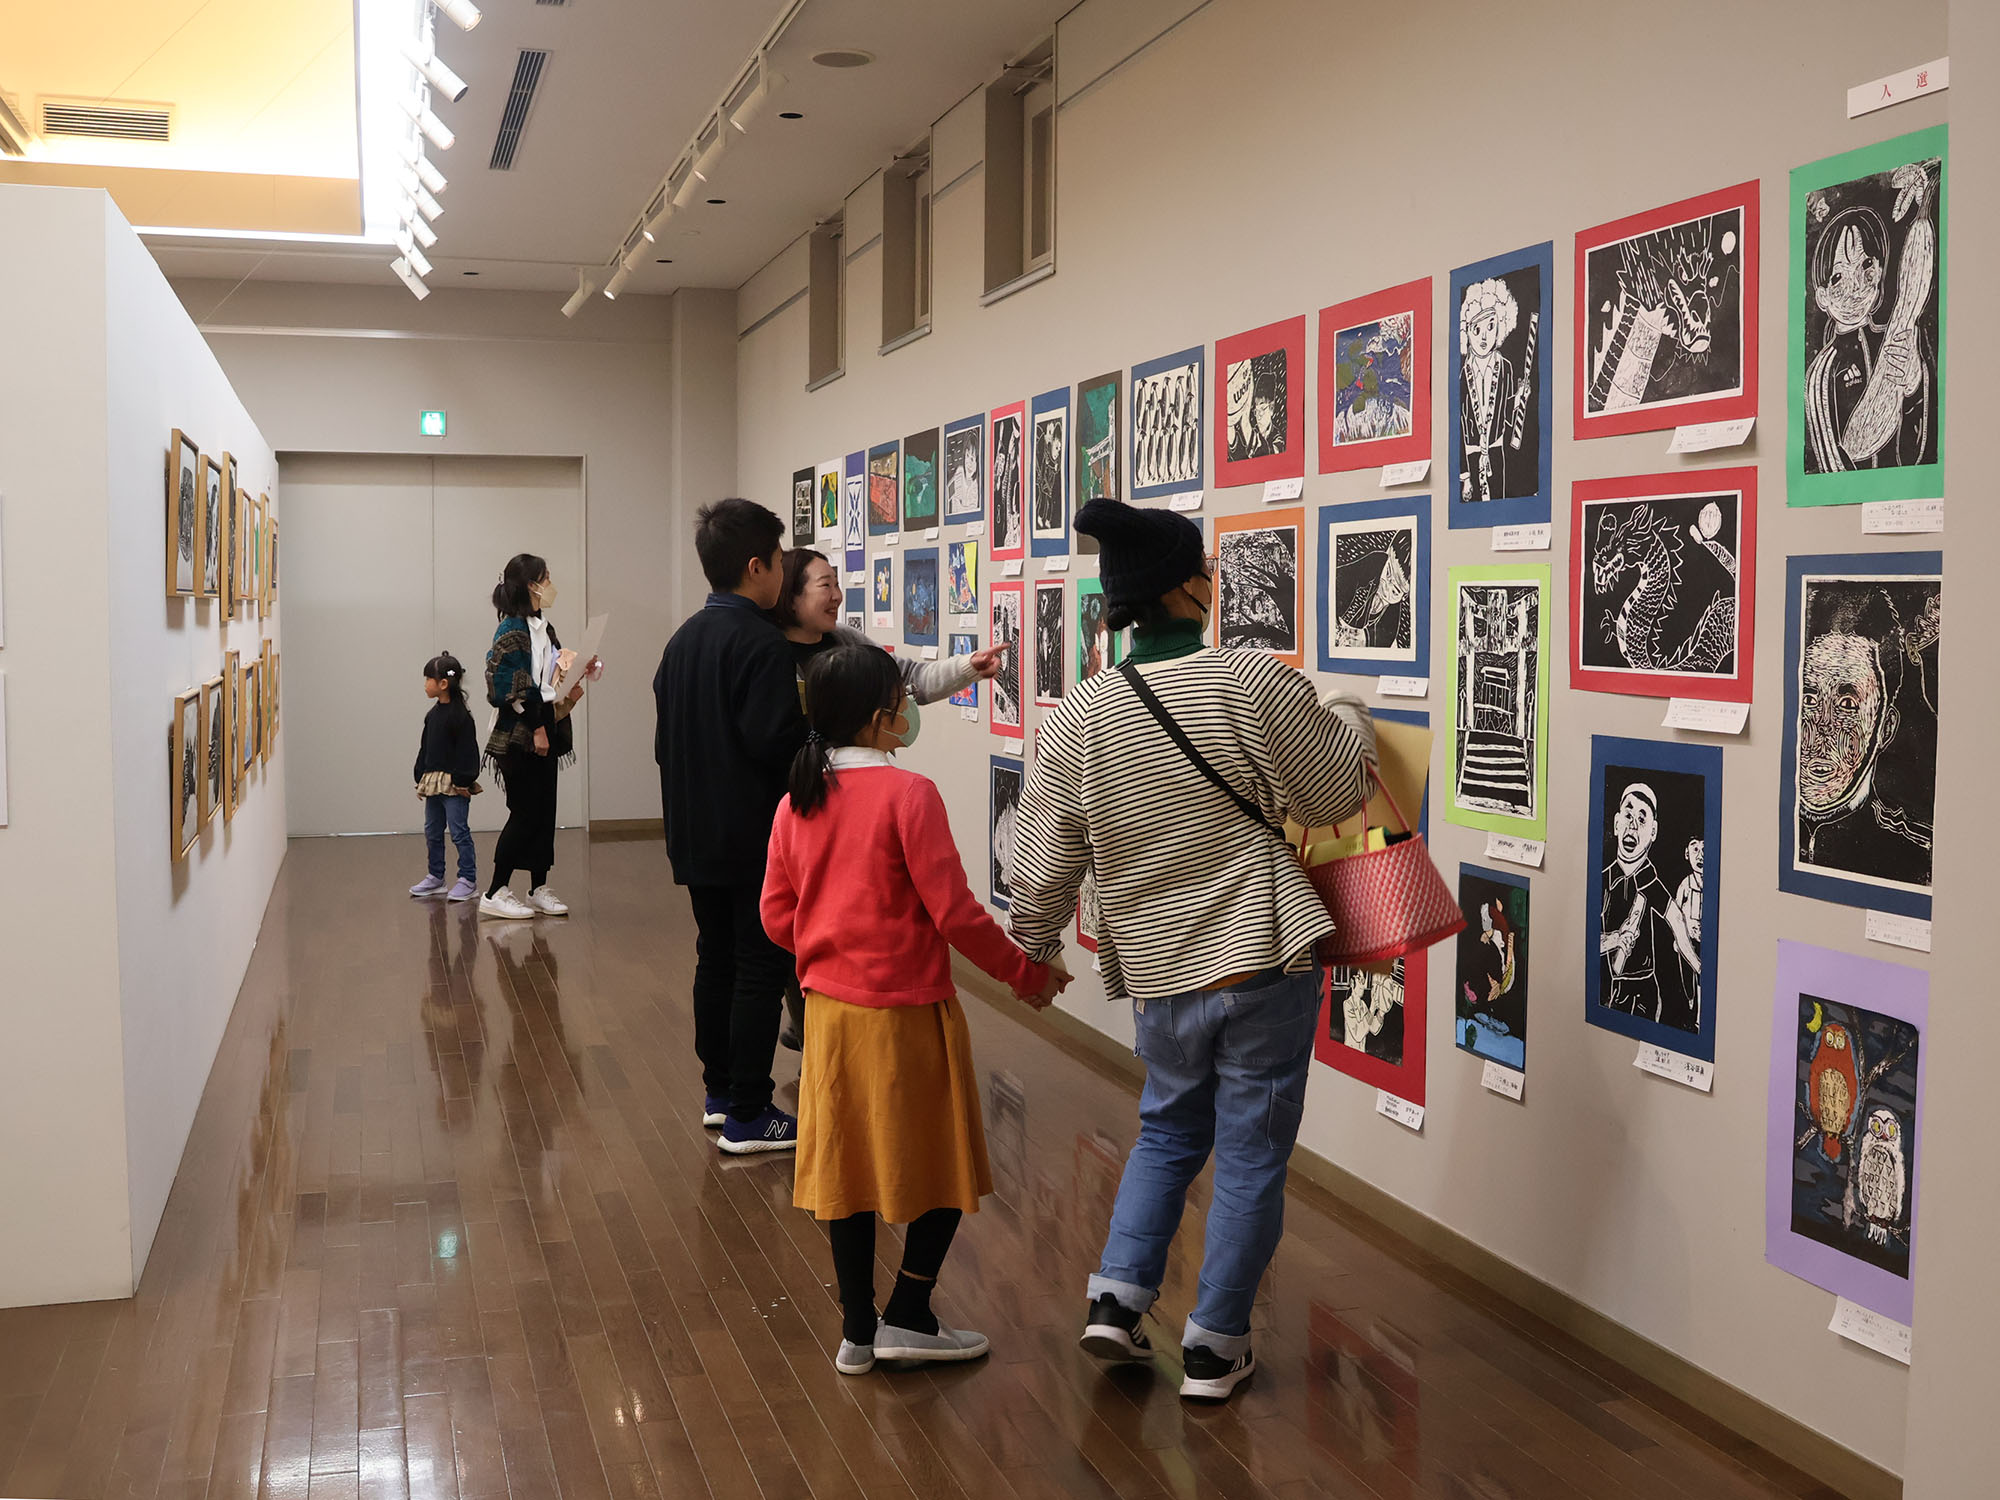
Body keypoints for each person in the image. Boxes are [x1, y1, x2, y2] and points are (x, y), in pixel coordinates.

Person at [1005, 497, 1376, 1405]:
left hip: (1160, 971)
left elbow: (1045, 855)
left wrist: (1034, 947)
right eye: (1206, 570)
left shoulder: (1077, 720)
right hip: (1261, 955)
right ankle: (1214, 1346)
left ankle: (1118, 1298)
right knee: (1250, 1152)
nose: (1215, 582)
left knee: (1168, 1129)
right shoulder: (1251, 681)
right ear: (1187, 588)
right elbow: (1334, 794)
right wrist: (1355, 725)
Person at [761, 646, 1063, 1374]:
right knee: (942, 1161)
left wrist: (832, 943)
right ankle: (909, 1312)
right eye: (905, 700)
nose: (912, 712)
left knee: (846, 1169)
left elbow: (776, 916)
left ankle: (858, 1331)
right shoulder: (909, 795)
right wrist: (1026, 974)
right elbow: (956, 914)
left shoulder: (796, 797)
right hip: (907, 1012)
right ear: (881, 720)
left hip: (829, 1014)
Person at [769, 546, 1003, 1048]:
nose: (836, 595)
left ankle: (820, 1015)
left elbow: (910, 679)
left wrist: (967, 666)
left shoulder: (846, 643)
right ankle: (810, 1011)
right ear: (790, 596)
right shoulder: (764, 651)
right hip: (805, 800)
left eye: (837, 582)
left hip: (842, 798)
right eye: (824, 585)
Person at [654, 499, 809, 1152]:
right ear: (757, 567)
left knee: (713, 957)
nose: (784, 574)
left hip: (693, 833)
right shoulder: (762, 645)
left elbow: (666, 745)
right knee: (758, 967)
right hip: (750, 839)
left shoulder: (683, 640)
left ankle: (720, 1094)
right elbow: (777, 745)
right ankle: (750, 1112)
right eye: (780, 562)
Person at [482, 555, 597, 921]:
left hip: (544, 722)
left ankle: (537, 887)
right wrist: (537, 727)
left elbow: (553, 673)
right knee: (526, 811)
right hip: (521, 732)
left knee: (545, 810)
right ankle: (495, 889)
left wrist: (580, 670)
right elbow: (508, 685)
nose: (550, 584)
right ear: (531, 585)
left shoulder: (543, 627)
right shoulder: (510, 630)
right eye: (546, 578)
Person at [1598, 782, 1697, 1030]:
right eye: (1628, 815)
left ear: (1653, 832)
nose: (1632, 825)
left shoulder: (1649, 881)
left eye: (1642, 820)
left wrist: (1697, 965)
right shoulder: (1603, 880)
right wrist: (1615, 940)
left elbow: (1675, 919)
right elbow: (1587, 939)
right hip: (1605, 983)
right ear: (1616, 823)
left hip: (1642, 990)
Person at [409, 652, 481, 903]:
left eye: (429, 678)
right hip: (433, 783)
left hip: (455, 786)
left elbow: (469, 752)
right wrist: (420, 776)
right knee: (432, 830)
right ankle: (436, 876)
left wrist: (464, 780)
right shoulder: (433, 715)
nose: (425, 684)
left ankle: (468, 879)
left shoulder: (461, 716)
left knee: (459, 831)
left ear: (443, 684)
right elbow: (425, 748)